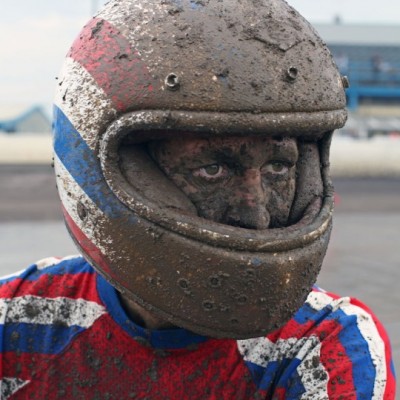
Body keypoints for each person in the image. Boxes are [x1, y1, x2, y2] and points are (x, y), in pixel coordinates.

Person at [0, 0, 396, 398]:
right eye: (211, 170)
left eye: (278, 167)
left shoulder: (326, 346)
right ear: (104, 169)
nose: (255, 214)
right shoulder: (16, 319)